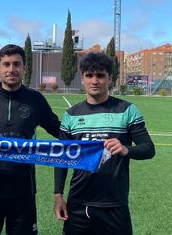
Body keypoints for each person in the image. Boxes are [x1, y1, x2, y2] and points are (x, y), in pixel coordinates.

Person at [53, 53, 155, 235]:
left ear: (110, 78)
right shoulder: (71, 115)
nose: (94, 81)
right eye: (89, 75)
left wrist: (125, 149)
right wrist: (58, 195)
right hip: (78, 202)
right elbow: (62, 158)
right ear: (82, 78)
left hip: (114, 203)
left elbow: (148, 149)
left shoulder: (127, 110)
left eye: (100, 75)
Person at [0, 44, 60, 235]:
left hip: (23, 192)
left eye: (17, 64)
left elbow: (59, 130)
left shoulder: (35, 99)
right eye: (6, 64)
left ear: (24, 68)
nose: (11, 69)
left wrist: (90, 141)